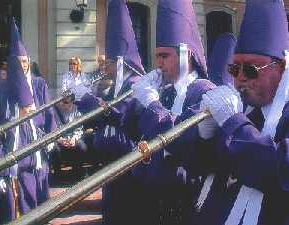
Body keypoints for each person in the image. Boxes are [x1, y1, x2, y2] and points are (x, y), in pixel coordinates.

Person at [194, 0, 289, 224]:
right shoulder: (244, 110)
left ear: (283, 67)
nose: (240, 78)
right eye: (234, 69)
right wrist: (203, 136)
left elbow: (280, 170)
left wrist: (233, 124)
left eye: (251, 69)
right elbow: (199, 168)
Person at [129, 0, 215, 224]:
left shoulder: (204, 91)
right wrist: (137, 99)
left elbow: (180, 140)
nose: (158, 63)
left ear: (186, 55)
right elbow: (131, 129)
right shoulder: (165, 92)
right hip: (154, 197)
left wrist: (152, 104)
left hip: (184, 199)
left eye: (164, 56)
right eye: (157, 56)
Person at [75, 1, 145, 225]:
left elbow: (116, 114)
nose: (105, 67)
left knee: (123, 212)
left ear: (122, 62)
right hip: (110, 159)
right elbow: (100, 115)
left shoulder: (134, 84)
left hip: (127, 161)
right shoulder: (114, 85)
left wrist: (86, 98)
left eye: (110, 62)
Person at [0, 18, 56, 224]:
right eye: (18, 62)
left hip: (36, 161)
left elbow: (49, 115)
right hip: (11, 160)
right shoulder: (3, 88)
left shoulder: (39, 84)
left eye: (25, 61)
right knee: (10, 212)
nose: (23, 65)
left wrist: (51, 138)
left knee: (37, 207)